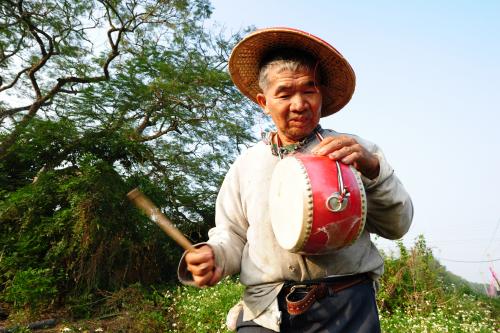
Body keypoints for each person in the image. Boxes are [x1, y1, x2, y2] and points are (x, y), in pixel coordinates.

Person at [178, 27, 413, 332]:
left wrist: (373, 169)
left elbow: (398, 225)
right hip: (265, 309)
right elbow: (232, 235)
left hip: (347, 307)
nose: (299, 103)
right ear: (264, 101)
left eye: (309, 90)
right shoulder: (246, 165)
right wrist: (214, 255)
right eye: (285, 93)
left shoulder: (355, 152)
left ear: (321, 94)